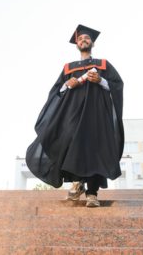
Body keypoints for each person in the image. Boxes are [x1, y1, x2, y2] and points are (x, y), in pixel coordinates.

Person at [26, 24, 124, 207]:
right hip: (72, 114)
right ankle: (77, 184)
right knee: (71, 144)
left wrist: (101, 80)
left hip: (96, 115)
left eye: (86, 38)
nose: (83, 40)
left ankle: (92, 194)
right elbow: (57, 91)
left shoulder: (103, 64)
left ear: (92, 42)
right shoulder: (68, 68)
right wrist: (67, 84)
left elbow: (117, 84)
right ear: (77, 44)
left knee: (95, 148)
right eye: (80, 39)